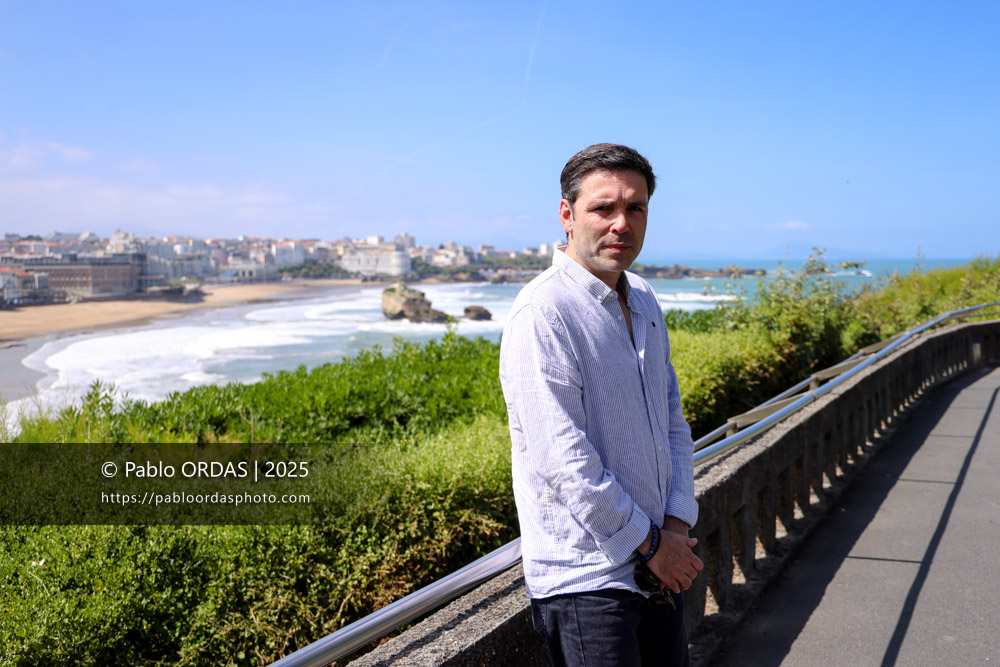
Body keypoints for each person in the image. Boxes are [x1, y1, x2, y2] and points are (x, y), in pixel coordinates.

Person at [499, 143, 703, 666]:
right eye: (603, 208)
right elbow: (563, 461)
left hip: (659, 567)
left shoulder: (644, 297)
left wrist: (676, 526)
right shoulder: (542, 312)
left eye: (636, 208)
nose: (621, 224)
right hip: (586, 582)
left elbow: (672, 421)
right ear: (567, 215)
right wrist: (653, 546)